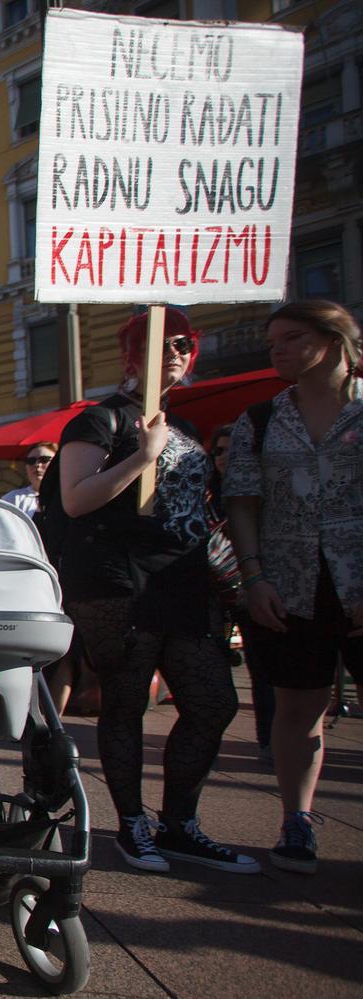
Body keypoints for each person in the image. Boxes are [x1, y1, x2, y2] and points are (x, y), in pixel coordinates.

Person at [58, 308, 258, 875]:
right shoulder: (101, 421)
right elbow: (75, 499)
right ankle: (132, 826)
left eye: (183, 343)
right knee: (125, 704)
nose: (173, 352)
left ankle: (180, 823)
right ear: (132, 354)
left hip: (184, 581)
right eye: (159, 343)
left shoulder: (188, 427)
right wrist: (142, 458)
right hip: (120, 581)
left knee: (214, 701)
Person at [225, 299, 363, 875]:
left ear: (329, 342)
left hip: (358, 579)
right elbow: (242, 503)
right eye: (272, 339)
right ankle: (297, 820)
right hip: (289, 584)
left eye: (289, 338)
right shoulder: (258, 420)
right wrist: (253, 576)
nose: (275, 349)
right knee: (297, 706)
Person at [205, 425, 275, 761]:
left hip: (250, 587)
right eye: (218, 451)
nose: (224, 458)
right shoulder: (204, 492)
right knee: (211, 669)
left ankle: (269, 740)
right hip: (211, 591)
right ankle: (207, 739)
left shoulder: (260, 491)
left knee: (262, 669)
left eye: (232, 450)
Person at [3, 442, 57, 517]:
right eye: (31, 461)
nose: (37, 465)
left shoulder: (68, 498)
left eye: (44, 460)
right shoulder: (12, 499)